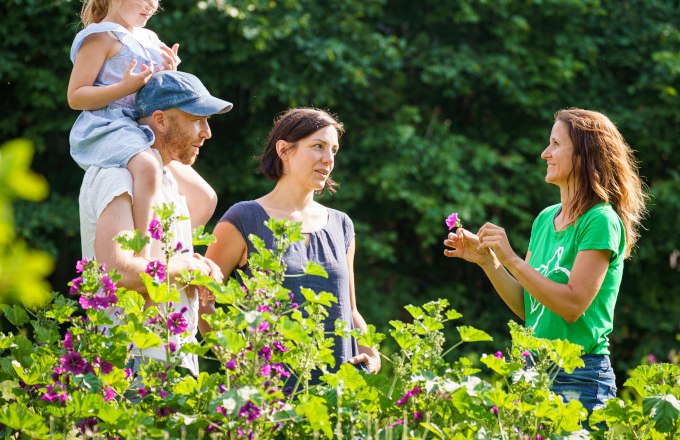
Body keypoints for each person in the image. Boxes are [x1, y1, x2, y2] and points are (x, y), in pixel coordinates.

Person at [443, 108, 647, 419]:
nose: (544, 153)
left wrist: (510, 258)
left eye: (555, 143)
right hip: (533, 370)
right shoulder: (544, 219)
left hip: (579, 377)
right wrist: (490, 262)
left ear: (584, 154)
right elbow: (530, 308)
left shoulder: (600, 220)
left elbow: (572, 305)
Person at [205, 108, 381, 377]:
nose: (328, 159)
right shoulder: (244, 219)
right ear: (284, 150)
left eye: (333, 150)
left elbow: (351, 311)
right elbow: (203, 302)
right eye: (318, 146)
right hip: (268, 397)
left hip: (337, 393)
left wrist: (371, 354)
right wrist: (236, 361)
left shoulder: (342, 224)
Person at [79, 70, 232, 375]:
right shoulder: (117, 175)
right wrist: (189, 268)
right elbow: (119, 273)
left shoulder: (166, 179)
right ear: (160, 120)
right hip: (131, 359)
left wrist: (194, 265)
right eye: (197, 119)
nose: (207, 133)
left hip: (172, 355)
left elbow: (160, 259)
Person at [68, 0, 209, 256]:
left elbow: (156, 94)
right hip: (109, 126)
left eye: (155, 0)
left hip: (142, 127)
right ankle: (140, 253)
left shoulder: (150, 38)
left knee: (204, 195)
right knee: (147, 168)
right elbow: (76, 97)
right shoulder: (101, 37)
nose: (152, 6)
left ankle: (174, 252)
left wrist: (170, 73)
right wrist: (123, 88)